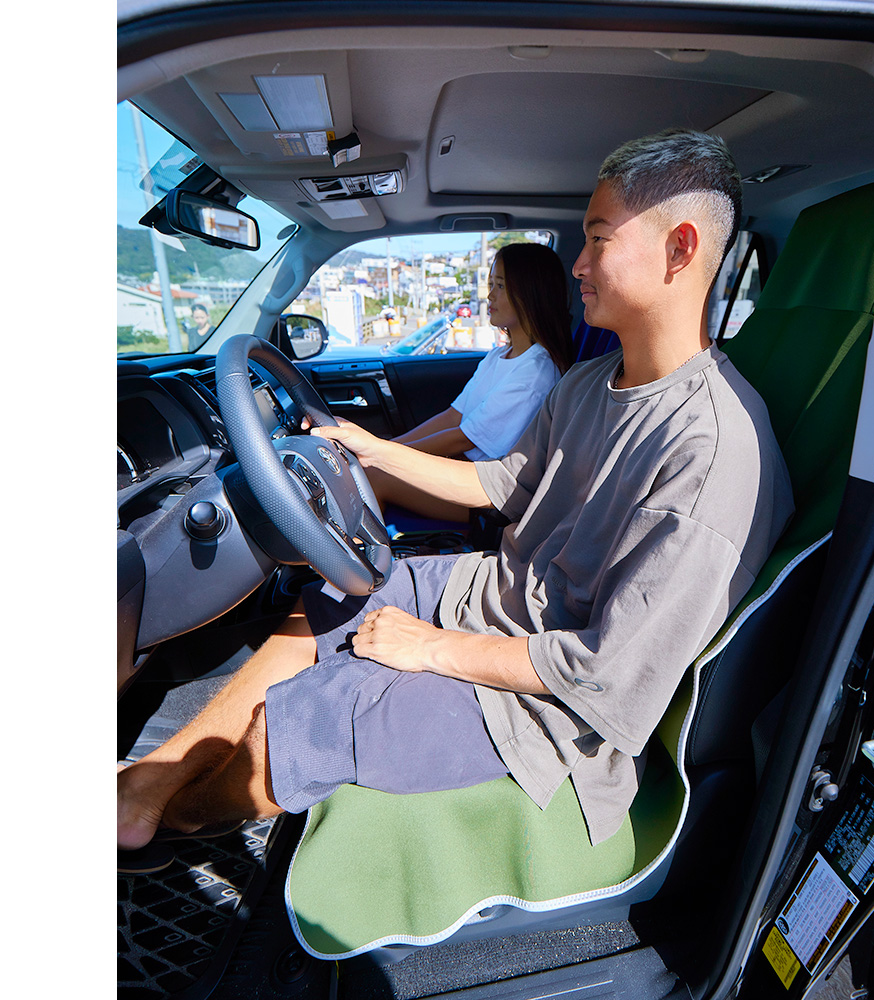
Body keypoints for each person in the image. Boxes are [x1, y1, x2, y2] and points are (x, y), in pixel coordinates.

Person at [118, 129, 794, 867]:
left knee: (311, 716)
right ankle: (151, 782)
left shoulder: (712, 452)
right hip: (500, 593)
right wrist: (374, 450)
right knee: (336, 596)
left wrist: (432, 648)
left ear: (680, 248)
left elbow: (605, 674)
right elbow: (499, 485)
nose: (578, 263)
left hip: (548, 708)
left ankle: (173, 823)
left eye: (599, 239)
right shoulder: (587, 384)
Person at [364, 242, 574, 522]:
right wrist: (390, 446)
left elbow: (463, 438)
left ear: (530, 293)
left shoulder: (536, 372)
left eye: (501, 286)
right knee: (372, 466)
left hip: (488, 495)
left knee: (375, 476)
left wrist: (383, 453)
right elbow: (454, 416)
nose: (490, 295)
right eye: (491, 284)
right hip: (464, 469)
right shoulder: (499, 356)